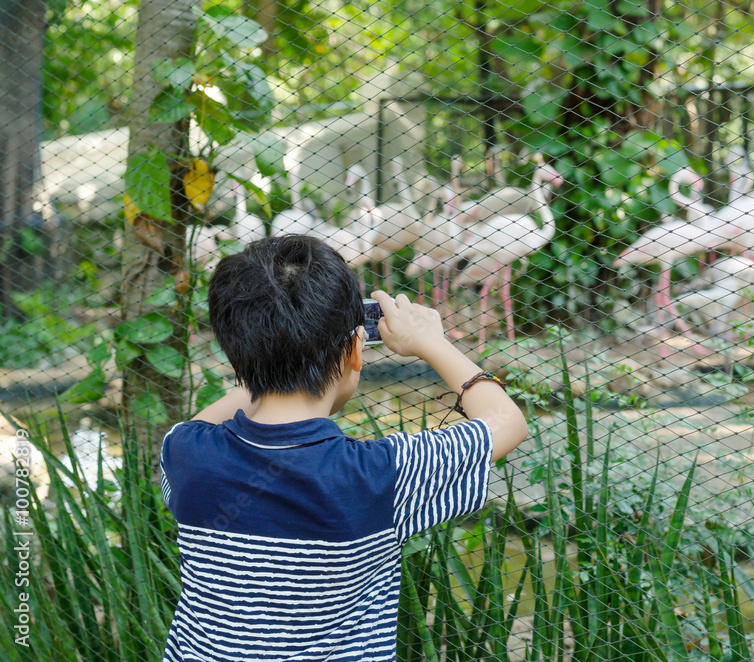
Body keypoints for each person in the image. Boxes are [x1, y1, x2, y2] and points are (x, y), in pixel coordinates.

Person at [158, 235, 528, 662]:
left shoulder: (185, 454)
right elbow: (506, 420)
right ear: (356, 350)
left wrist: (264, 363)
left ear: (233, 355)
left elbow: (206, 420)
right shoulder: (383, 475)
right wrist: (430, 342)